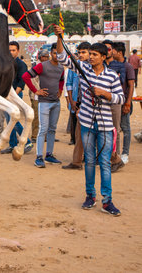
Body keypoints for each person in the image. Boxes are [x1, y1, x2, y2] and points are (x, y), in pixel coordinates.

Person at [55, 25, 124, 216]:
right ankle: (90, 196)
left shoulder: (112, 76)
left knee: (104, 163)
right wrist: (60, 37)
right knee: (90, 161)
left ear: (103, 57)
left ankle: (107, 201)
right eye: (90, 54)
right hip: (86, 123)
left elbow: (121, 98)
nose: (90, 57)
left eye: (95, 54)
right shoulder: (82, 68)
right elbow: (62, 58)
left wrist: (105, 94)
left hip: (105, 126)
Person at [23, 43, 64, 168]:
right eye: (54, 53)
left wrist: (60, 90)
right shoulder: (42, 66)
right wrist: (36, 91)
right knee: (43, 129)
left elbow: (61, 79)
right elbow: (26, 76)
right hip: (44, 102)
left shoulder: (61, 68)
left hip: (55, 102)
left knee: (52, 129)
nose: (56, 55)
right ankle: (39, 157)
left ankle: (49, 155)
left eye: (59, 53)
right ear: (51, 53)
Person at [0, 41, 33, 154]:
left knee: (13, 120)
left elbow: (21, 83)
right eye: (9, 50)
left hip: (15, 95)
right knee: (9, 121)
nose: (11, 52)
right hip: (6, 96)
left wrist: (14, 96)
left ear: (18, 51)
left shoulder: (21, 64)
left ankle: (27, 141)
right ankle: (12, 145)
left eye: (13, 50)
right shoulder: (5, 64)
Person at [62, 42, 91, 170]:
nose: (80, 55)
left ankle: (113, 158)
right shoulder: (75, 67)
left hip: (91, 106)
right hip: (78, 102)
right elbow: (68, 83)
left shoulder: (94, 68)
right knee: (79, 134)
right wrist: (71, 101)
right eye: (79, 53)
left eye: (83, 52)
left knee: (96, 134)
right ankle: (77, 161)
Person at [103, 39, 126, 173]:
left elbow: (121, 80)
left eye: (109, 48)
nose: (107, 51)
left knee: (115, 131)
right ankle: (106, 158)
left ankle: (115, 159)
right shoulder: (99, 64)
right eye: (105, 49)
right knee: (102, 131)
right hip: (101, 102)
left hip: (114, 102)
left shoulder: (119, 65)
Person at [112, 42, 135, 164]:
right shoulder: (112, 66)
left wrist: (128, 103)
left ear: (119, 52)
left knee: (125, 128)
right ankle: (117, 154)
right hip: (115, 101)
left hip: (124, 101)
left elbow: (131, 86)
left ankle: (125, 152)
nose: (111, 52)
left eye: (113, 50)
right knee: (116, 129)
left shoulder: (127, 67)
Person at [29, 49, 50, 142]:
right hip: (36, 95)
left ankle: (45, 136)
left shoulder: (49, 66)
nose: (45, 58)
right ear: (40, 57)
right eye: (43, 56)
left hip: (46, 95)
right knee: (36, 116)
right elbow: (32, 80)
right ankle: (34, 136)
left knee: (46, 116)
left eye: (47, 56)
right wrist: (39, 91)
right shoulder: (35, 66)